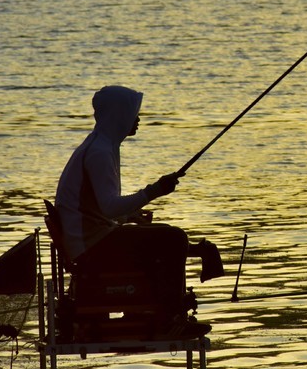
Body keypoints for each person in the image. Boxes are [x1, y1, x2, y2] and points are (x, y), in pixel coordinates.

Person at [54, 85, 221, 337]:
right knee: (173, 238)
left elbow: (99, 208)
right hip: (91, 245)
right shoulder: (99, 152)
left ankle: (157, 310)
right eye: (133, 113)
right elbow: (109, 206)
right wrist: (154, 191)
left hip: (91, 238)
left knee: (164, 233)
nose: (138, 119)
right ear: (118, 116)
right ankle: (170, 320)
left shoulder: (101, 146)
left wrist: (128, 217)